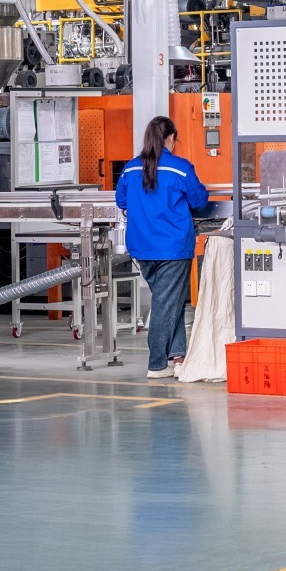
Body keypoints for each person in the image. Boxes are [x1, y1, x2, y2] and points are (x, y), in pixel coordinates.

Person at [114, 115, 210, 379]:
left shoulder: (131, 168)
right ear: (171, 138)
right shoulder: (180, 168)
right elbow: (199, 200)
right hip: (172, 247)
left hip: (142, 247)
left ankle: (177, 357)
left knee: (168, 300)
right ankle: (156, 364)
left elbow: (121, 200)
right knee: (166, 303)